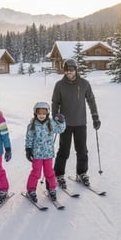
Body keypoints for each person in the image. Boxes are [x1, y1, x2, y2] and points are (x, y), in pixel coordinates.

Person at [51, 58, 101, 188]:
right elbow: (55, 102)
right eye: (67, 70)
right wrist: (55, 118)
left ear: (76, 70)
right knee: (64, 150)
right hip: (64, 124)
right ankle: (59, 174)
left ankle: (82, 173)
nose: (69, 73)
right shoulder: (59, 85)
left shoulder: (84, 84)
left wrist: (95, 117)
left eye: (71, 70)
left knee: (82, 150)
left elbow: (91, 100)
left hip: (80, 122)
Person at [25, 102, 66, 202]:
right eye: (39, 113)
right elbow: (29, 138)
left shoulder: (51, 123)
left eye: (44, 113)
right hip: (37, 155)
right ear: (35, 113)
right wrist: (28, 149)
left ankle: (52, 189)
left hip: (48, 154)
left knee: (50, 173)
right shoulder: (32, 124)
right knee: (36, 173)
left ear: (47, 113)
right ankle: (31, 190)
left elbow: (60, 130)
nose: (41, 115)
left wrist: (61, 121)